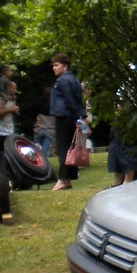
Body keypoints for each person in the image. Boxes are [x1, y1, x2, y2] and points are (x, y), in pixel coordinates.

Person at [49, 53, 86, 191]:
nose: (54, 68)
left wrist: (77, 117)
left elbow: (70, 100)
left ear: (65, 66)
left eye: (56, 65)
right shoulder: (74, 79)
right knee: (71, 149)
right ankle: (68, 179)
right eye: (53, 65)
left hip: (64, 117)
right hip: (71, 117)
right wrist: (80, 117)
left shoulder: (63, 81)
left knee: (64, 149)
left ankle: (63, 179)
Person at [0, 66, 19, 133]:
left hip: (10, 128)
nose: (11, 73)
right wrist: (6, 98)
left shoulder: (13, 98)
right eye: (10, 71)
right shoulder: (2, 79)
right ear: (6, 71)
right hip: (1, 129)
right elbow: (1, 90)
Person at [33, 87, 56, 158]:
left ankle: (34, 165)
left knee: (35, 150)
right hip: (50, 130)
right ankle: (42, 165)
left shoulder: (38, 104)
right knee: (44, 151)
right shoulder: (54, 106)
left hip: (39, 129)